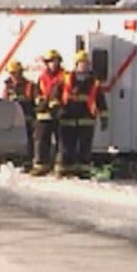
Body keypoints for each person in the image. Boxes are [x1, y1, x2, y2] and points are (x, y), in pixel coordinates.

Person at [54, 50, 108, 178]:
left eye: (86, 63)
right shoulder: (65, 79)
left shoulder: (94, 82)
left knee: (85, 147)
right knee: (67, 147)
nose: (84, 66)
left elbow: (101, 102)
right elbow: (55, 96)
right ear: (76, 64)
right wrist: (56, 110)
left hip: (86, 120)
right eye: (81, 63)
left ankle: (83, 171)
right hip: (67, 118)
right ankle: (65, 170)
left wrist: (104, 117)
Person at [32, 49, 66, 176]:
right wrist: (40, 102)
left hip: (59, 113)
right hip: (44, 114)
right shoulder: (42, 77)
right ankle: (41, 166)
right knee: (41, 141)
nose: (52, 64)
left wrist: (58, 105)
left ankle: (59, 167)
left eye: (54, 61)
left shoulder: (64, 76)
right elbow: (37, 93)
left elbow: (66, 93)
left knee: (61, 142)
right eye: (50, 61)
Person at [2, 60, 39, 164]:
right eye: (11, 73)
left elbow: (34, 100)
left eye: (15, 73)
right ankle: (15, 160)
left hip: (27, 118)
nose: (13, 76)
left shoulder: (29, 85)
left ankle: (28, 161)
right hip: (12, 120)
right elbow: (4, 101)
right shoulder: (8, 86)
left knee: (29, 141)